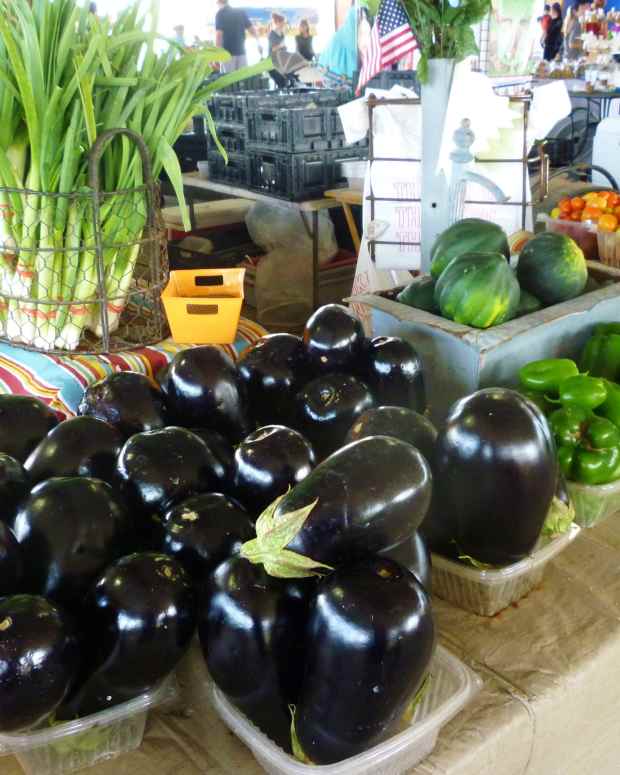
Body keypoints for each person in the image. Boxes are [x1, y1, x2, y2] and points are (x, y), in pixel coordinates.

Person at [215, 0, 262, 73]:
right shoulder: (241, 12)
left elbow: (219, 36)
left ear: (218, 2)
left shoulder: (220, 14)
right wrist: (258, 43)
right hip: (242, 53)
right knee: (242, 81)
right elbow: (252, 30)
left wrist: (217, 56)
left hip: (227, 55)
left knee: (229, 81)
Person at [269, 13, 288, 88]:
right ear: (277, 22)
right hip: (272, 63)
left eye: (284, 23)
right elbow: (273, 49)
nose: (284, 25)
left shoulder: (282, 34)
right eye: (282, 23)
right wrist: (281, 45)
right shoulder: (272, 34)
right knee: (282, 81)